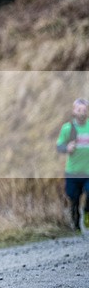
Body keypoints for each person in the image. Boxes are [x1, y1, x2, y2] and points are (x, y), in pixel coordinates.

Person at [56, 98, 89, 231]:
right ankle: (75, 223)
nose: (82, 113)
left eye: (85, 110)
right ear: (74, 111)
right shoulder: (68, 128)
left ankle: (87, 213)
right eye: (79, 110)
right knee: (73, 198)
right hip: (72, 172)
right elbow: (59, 146)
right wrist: (67, 148)